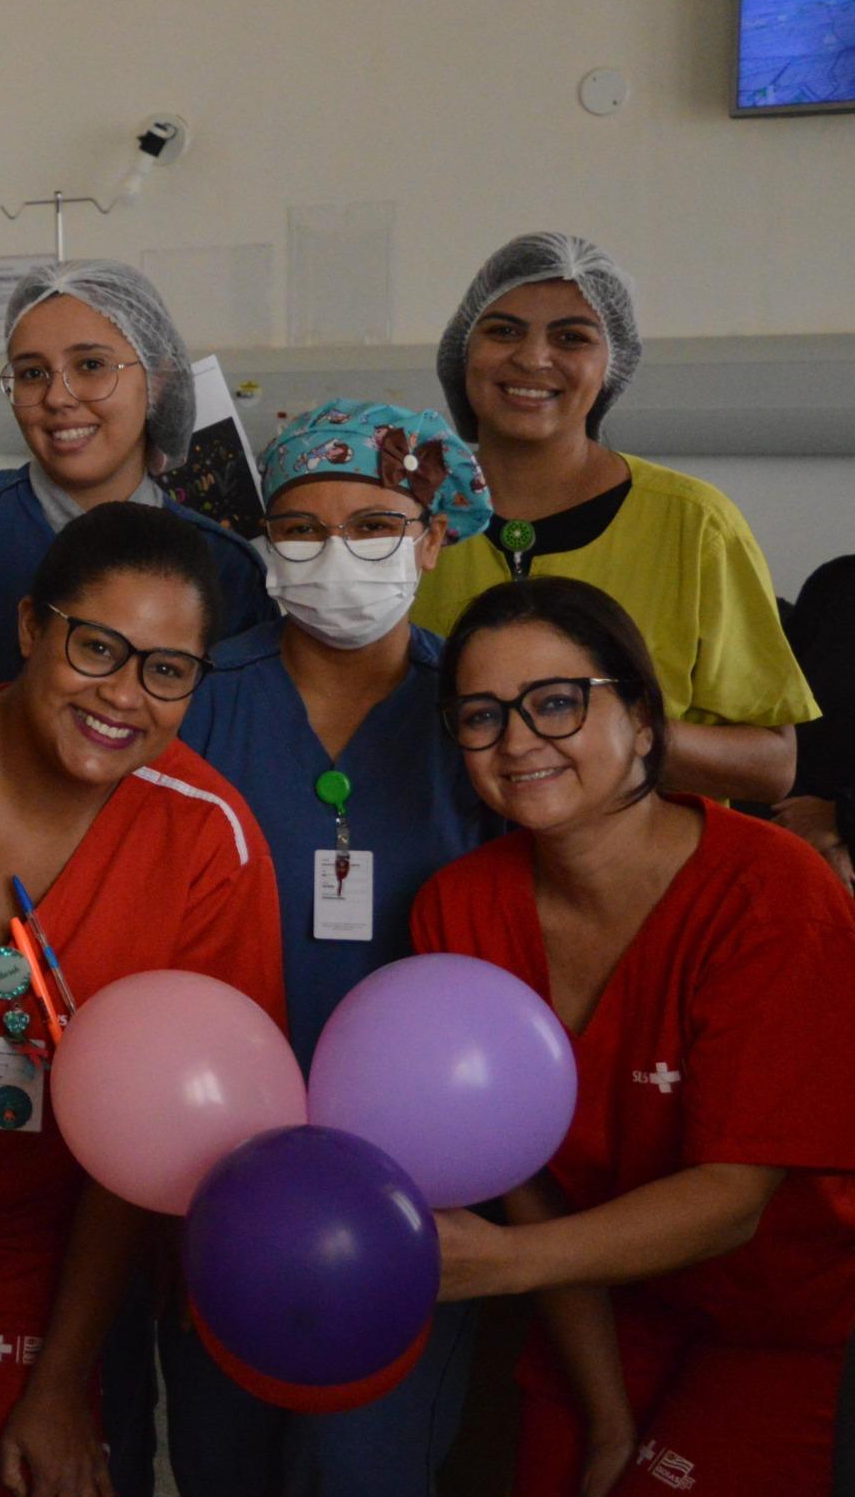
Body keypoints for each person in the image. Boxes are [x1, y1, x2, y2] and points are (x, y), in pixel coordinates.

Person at [0, 502, 283, 1497]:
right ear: (28, 628)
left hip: (29, 1236)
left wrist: (59, 1382)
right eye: (96, 647)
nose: (122, 695)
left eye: (165, 669)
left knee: (24, 1464)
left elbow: (158, 1147)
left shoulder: (205, 841)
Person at [414, 576, 855, 1497]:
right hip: (604, 1306)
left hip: (785, 1321)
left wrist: (500, 1265)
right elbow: (524, 1179)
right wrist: (608, 1417)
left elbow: (736, 1197)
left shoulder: (772, 892)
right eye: (482, 715)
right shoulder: (459, 908)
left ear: (646, 721)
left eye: (558, 703)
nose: (520, 740)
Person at [159, 400, 503, 1495]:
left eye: (373, 527)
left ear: (434, 537)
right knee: (221, 1452)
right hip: (211, 1159)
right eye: (299, 530)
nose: (333, 556)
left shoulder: (476, 717)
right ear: (263, 548)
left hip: (418, 1181)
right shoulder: (201, 700)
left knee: (367, 1463)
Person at [409, 233, 813, 804]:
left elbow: (770, 766)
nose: (532, 357)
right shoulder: (400, 516)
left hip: (641, 882)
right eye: (503, 330)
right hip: (438, 872)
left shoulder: (694, 525)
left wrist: (613, 735)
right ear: (462, 351)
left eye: (572, 337)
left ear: (611, 365)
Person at [0, 260, 271, 688]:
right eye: (32, 373)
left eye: (90, 365)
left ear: (158, 380)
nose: (56, 397)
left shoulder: (226, 569)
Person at [772, 555, 854, 889]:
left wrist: (840, 819)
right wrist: (824, 836)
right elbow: (778, 710)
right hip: (791, 818)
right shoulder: (836, 583)